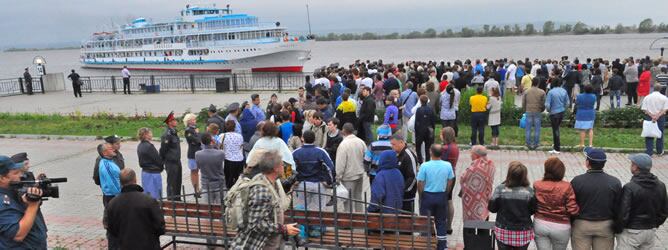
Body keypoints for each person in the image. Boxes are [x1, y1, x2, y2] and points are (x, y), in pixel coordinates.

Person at [232, 150, 300, 249]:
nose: (284, 168)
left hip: (268, 243)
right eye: (282, 165)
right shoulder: (262, 190)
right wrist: (284, 229)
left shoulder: (269, 182)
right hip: (255, 245)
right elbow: (256, 223)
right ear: (276, 169)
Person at [570, 147, 622, 250]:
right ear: (604, 163)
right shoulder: (615, 182)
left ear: (587, 162)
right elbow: (618, 207)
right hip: (606, 225)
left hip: (581, 225)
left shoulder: (577, 181)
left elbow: (571, 204)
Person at [616, 153, 668, 249]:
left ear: (635, 167)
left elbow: (623, 213)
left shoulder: (630, 187)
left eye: (632, 164)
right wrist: (654, 224)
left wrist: (618, 229)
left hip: (631, 231)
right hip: (650, 231)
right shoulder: (661, 185)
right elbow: (664, 211)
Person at [104, 169, 165, 249]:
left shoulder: (112, 204)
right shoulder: (149, 201)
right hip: (148, 245)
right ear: (135, 180)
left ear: (120, 183)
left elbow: (110, 229)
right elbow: (160, 226)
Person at [292, 130, 335, 237]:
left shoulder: (296, 152)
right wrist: (329, 182)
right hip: (318, 184)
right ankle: (317, 232)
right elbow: (331, 168)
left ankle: (303, 232)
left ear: (302, 138)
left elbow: (289, 168)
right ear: (314, 139)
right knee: (319, 209)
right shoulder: (321, 152)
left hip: (302, 184)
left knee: (302, 209)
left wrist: (293, 181)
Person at [0, 155, 47, 249]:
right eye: (16, 173)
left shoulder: (12, 190)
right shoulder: (2, 201)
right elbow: (18, 234)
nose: (20, 175)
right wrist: (32, 206)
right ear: (2, 178)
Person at [533, 157, 579, 250]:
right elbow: (572, 210)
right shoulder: (567, 186)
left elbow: (533, 204)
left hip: (540, 223)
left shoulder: (537, 184)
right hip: (561, 226)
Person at [488, 161, 537, 250]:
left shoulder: (500, 189)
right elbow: (533, 210)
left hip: (503, 231)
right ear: (524, 175)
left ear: (509, 174)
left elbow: (492, 208)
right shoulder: (529, 191)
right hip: (523, 232)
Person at [417, 145, 455, 250]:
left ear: (430, 152)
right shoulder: (447, 165)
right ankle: (442, 246)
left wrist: (421, 195)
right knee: (441, 221)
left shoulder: (424, 166)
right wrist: (446, 192)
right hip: (441, 195)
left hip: (427, 196)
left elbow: (420, 182)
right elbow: (450, 180)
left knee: (426, 222)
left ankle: (426, 245)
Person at [460, 145, 495, 240]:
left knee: (469, 228)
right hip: (484, 201)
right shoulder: (490, 164)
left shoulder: (474, 167)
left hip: (471, 205)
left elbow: (463, 178)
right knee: (483, 226)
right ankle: (483, 246)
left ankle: (470, 246)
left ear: (476, 155)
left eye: (471, 153)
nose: (470, 155)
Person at [335, 123, 367, 212]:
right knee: (358, 197)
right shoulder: (361, 142)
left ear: (343, 131)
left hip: (348, 176)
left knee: (347, 200)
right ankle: (360, 217)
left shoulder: (343, 145)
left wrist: (338, 177)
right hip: (360, 173)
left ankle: (349, 220)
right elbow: (366, 157)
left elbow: (340, 163)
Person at [196, 133, 226, 206]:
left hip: (206, 184)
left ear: (202, 142)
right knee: (221, 208)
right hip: (219, 184)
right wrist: (216, 145)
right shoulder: (220, 153)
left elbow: (199, 167)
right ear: (212, 141)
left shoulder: (197, 154)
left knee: (208, 210)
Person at [440, 127, 460, 234]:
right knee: (449, 200)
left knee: (443, 200)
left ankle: (441, 224)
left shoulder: (445, 148)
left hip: (443, 177)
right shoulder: (455, 146)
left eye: (441, 134)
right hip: (452, 174)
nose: (440, 136)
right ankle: (449, 226)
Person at [160, 111, 182, 201]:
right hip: (171, 162)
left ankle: (177, 198)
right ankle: (171, 200)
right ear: (170, 122)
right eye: (174, 120)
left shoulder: (174, 132)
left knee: (178, 181)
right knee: (172, 182)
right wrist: (164, 160)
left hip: (177, 161)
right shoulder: (167, 135)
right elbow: (163, 149)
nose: (176, 121)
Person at [136, 128, 164, 199]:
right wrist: (161, 167)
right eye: (150, 133)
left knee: (147, 194)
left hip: (145, 173)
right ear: (146, 135)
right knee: (155, 195)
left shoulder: (140, 145)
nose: (152, 135)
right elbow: (158, 160)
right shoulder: (149, 146)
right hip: (153, 173)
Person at [641, 84, 668, 156]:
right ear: (660, 89)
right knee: (660, 133)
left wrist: (652, 115)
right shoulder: (664, 98)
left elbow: (644, 109)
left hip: (649, 117)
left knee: (649, 134)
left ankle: (649, 152)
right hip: (660, 117)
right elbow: (665, 109)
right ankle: (659, 151)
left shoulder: (647, 97)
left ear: (653, 88)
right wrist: (657, 115)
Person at [545, 78, 569, 154]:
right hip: (561, 112)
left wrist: (549, 110)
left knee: (555, 130)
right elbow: (567, 103)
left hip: (553, 113)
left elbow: (547, 104)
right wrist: (563, 108)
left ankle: (557, 148)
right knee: (557, 128)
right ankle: (555, 144)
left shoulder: (551, 92)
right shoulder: (564, 91)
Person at [522, 77, 546, 150]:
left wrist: (524, 109)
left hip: (528, 110)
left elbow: (523, 102)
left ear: (532, 82)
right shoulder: (542, 92)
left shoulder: (526, 91)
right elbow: (543, 102)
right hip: (537, 111)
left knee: (528, 128)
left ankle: (527, 143)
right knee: (537, 128)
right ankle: (536, 143)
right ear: (538, 83)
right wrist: (542, 109)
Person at [221, 120, 245, 190]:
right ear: (234, 127)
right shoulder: (239, 136)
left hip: (229, 160)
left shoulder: (223, 136)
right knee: (238, 179)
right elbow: (241, 146)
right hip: (239, 160)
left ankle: (230, 193)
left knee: (229, 180)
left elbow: (217, 144)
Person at [183, 113, 202, 196]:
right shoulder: (188, 130)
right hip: (193, 154)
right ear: (189, 121)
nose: (195, 121)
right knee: (194, 172)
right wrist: (198, 134)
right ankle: (196, 190)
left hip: (198, 152)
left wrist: (198, 135)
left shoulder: (194, 129)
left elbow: (201, 139)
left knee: (197, 171)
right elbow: (197, 140)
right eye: (193, 119)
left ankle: (198, 188)